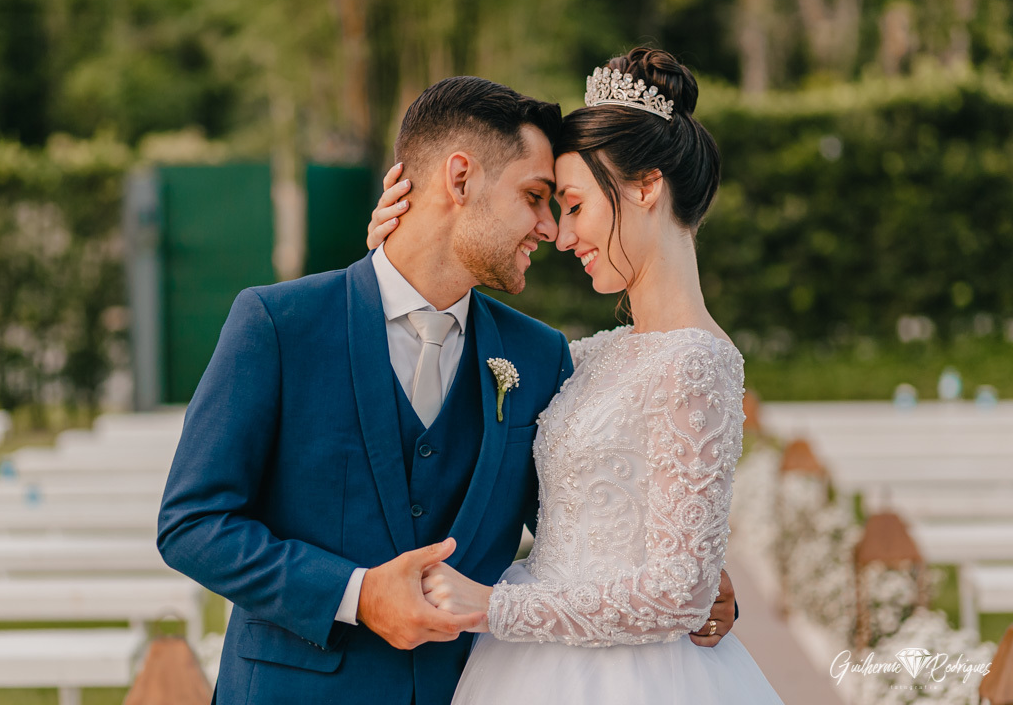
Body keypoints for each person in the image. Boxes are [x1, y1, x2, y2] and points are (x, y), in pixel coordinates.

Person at [158, 73, 738, 705]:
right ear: (460, 179)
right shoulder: (279, 325)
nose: (551, 229)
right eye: (536, 196)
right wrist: (355, 594)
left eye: (563, 205)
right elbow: (192, 523)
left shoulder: (540, 356)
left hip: (473, 686)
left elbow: (582, 512)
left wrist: (688, 577)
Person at [367, 47, 783, 704]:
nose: (560, 235)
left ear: (646, 187)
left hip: (629, 678)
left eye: (573, 205)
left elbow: (680, 592)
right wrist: (397, 263)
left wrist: (491, 608)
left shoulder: (698, 362)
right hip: (531, 663)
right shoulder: (587, 356)